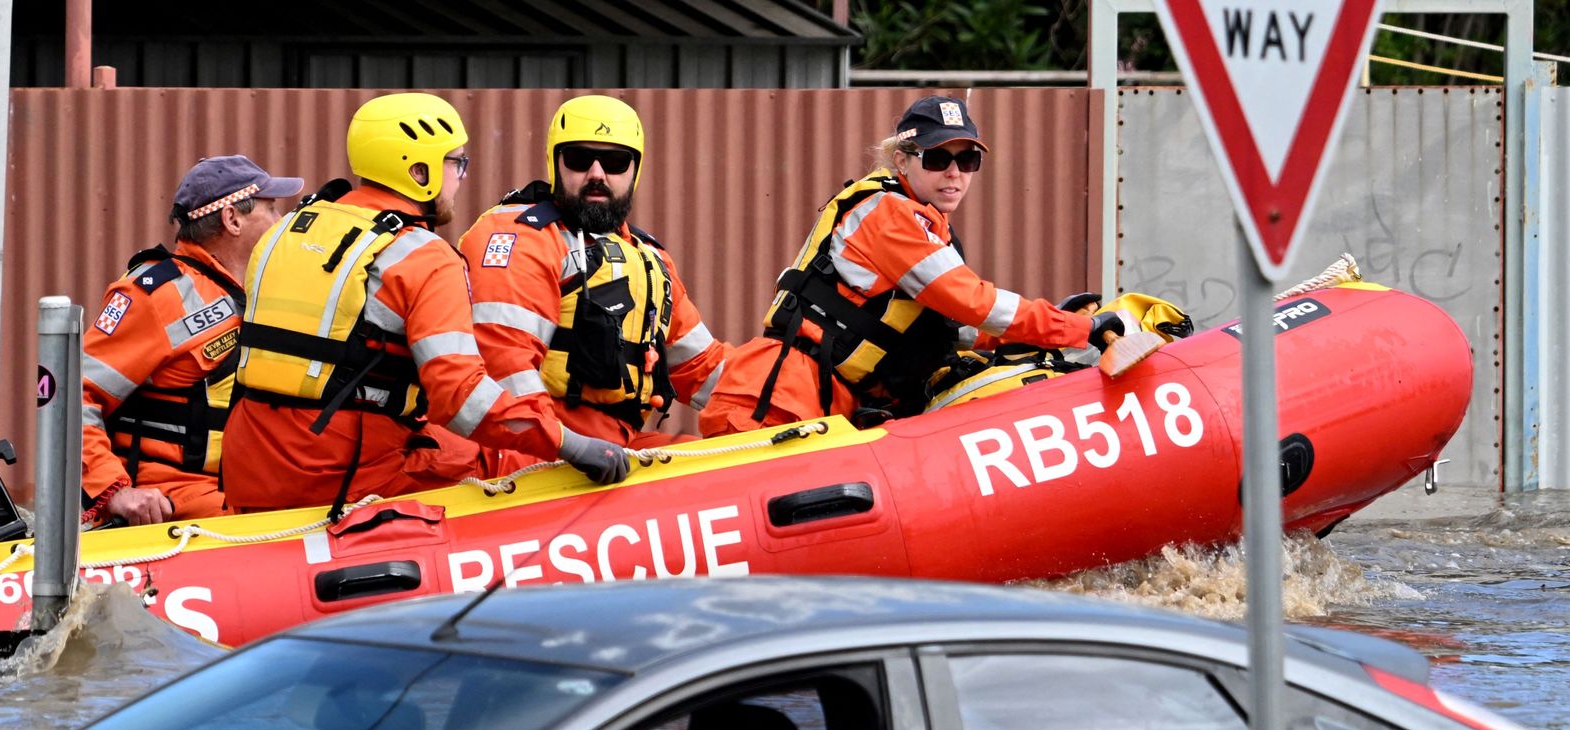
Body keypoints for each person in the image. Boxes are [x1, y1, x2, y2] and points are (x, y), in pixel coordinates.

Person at [221, 93, 630, 516]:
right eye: (456, 163)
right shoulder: (424, 256)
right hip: (339, 475)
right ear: (419, 172)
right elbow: (461, 399)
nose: (460, 177)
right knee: (513, 465)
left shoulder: (287, 228)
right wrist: (570, 444)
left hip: (246, 467)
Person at [699, 95, 1140, 436]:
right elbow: (972, 301)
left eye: (967, 159)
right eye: (937, 158)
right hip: (774, 404)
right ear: (903, 160)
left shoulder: (920, 221)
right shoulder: (890, 214)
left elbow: (943, 328)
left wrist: (1046, 323)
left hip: (820, 404)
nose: (954, 173)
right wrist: (1079, 330)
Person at [457, 95, 726, 451]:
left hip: (619, 442)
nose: (596, 174)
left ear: (634, 170)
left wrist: (783, 415)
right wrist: (565, 444)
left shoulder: (650, 258)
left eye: (614, 161)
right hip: (530, 448)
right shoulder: (523, 236)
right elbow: (500, 363)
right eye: (580, 159)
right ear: (556, 163)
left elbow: (704, 369)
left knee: (716, 466)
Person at [79, 155, 303, 526]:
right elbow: (69, 397)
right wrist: (115, 492)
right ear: (232, 219)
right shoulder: (155, 294)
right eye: (272, 210)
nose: (281, 223)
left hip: (255, 487)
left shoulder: (266, 289)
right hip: (182, 495)